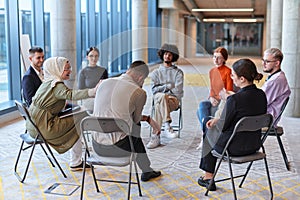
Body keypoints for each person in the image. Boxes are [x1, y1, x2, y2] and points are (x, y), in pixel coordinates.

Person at [197, 59, 267, 191]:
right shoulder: (261, 95)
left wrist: (214, 121)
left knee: (208, 128)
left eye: (233, 75)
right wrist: (219, 120)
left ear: (242, 79)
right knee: (212, 124)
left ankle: (208, 177)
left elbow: (223, 127)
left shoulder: (234, 99)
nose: (231, 77)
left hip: (233, 148)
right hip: (254, 145)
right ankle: (208, 176)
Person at [92, 60, 162, 182]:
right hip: (119, 149)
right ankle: (146, 170)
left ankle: (147, 169)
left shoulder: (103, 83)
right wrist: (148, 119)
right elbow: (135, 119)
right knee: (135, 125)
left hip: (96, 146)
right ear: (140, 77)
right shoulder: (139, 92)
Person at [26, 56, 99, 171]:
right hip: (45, 127)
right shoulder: (57, 85)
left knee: (78, 117)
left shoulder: (47, 82)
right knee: (81, 118)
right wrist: (93, 92)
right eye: (66, 69)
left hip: (32, 127)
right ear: (57, 69)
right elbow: (71, 95)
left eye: (69, 68)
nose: (70, 71)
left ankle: (78, 158)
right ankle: (82, 156)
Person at [146, 43, 184, 149]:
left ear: (173, 57)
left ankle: (155, 136)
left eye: (170, 55)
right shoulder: (156, 73)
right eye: (166, 54)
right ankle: (167, 126)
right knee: (161, 98)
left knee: (160, 100)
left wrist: (162, 88)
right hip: (160, 98)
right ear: (162, 55)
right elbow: (154, 90)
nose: (167, 56)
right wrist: (168, 86)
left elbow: (178, 90)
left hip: (173, 101)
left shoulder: (178, 73)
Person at [196, 47, 234, 132]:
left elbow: (229, 90)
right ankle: (207, 131)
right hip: (214, 100)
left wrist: (220, 98)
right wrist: (211, 97)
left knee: (199, 112)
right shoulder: (212, 71)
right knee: (202, 105)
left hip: (223, 101)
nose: (216, 60)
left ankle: (205, 135)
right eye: (214, 57)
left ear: (224, 59)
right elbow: (212, 89)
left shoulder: (228, 71)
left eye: (219, 57)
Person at [261, 48, 291, 125]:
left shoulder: (275, 80)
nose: (263, 64)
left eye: (267, 61)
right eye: (263, 60)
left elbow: (261, 102)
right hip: (266, 115)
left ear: (277, 63)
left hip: (266, 118)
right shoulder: (278, 75)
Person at [78, 47, 108, 111]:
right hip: (89, 99)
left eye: (96, 56)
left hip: (101, 97)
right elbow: (81, 90)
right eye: (91, 56)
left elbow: (106, 87)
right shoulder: (83, 72)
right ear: (87, 57)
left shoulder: (103, 70)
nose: (94, 58)